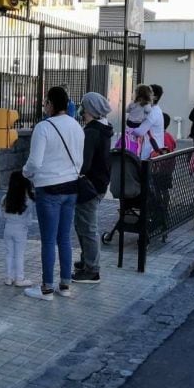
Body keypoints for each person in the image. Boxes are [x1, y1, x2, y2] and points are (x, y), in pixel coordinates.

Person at [22, 86, 84, 301]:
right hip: (71, 186)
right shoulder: (77, 126)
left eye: (45, 102)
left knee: (48, 240)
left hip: (48, 187)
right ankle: (65, 285)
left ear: (50, 103)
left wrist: (25, 172)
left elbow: (35, 162)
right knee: (64, 238)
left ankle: (46, 288)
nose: (44, 106)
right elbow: (79, 159)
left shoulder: (43, 127)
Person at [72, 92, 114, 284]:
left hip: (89, 185)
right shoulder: (104, 128)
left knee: (86, 227)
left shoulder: (91, 132)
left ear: (90, 109)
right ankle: (86, 260)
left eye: (83, 106)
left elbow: (84, 163)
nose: (81, 110)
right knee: (83, 224)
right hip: (100, 183)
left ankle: (92, 269)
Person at [0, 171, 34, 288]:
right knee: (19, 254)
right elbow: (29, 219)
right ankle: (19, 278)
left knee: (9, 253)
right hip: (21, 230)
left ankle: (8, 277)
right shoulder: (27, 200)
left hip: (8, 228)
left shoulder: (5, 198)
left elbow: (1, 215)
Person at [128, 84, 165, 160]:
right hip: (152, 150)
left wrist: (128, 130)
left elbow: (140, 131)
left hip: (150, 152)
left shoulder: (153, 112)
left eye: (149, 93)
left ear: (155, 97)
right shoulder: (154, 109)